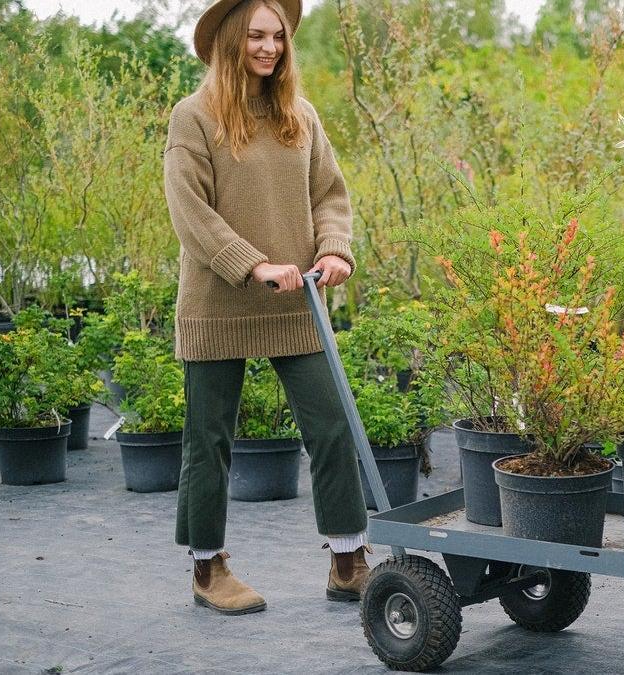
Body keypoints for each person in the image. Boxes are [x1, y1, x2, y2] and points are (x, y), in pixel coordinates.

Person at [163, 0, 370, 615]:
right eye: (256, 35)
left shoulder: (298, 115)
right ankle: (208, 567)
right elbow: (191, 214)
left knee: (331, 427)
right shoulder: (193, 118)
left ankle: (347, 559)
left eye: (277, 37)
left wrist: (334, 250)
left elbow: (330, 193)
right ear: (230, 40)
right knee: (209, 441)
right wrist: (252, 263)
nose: (269, 47)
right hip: (219, 304)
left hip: (296, 301)